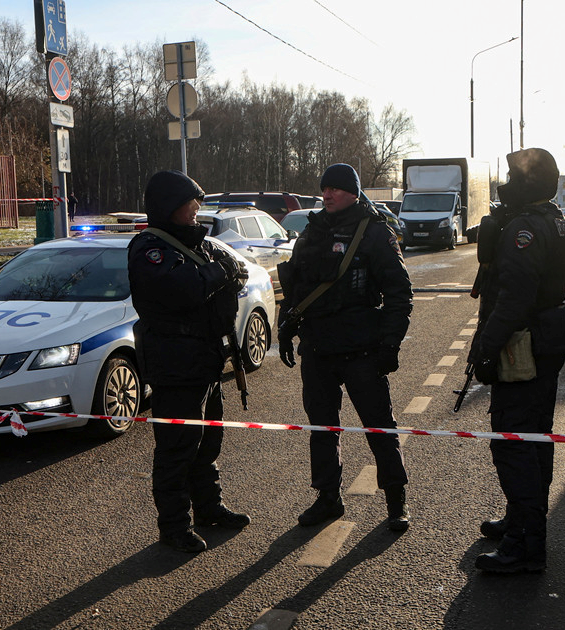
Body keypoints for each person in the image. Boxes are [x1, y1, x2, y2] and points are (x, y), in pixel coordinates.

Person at [276, 163, 413, 532]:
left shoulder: (374, 232)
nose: (328, 194)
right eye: (324, 189)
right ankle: (327, 498)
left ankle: (396, 500)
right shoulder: (313, 231)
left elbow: (399, 294)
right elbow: (295, 288)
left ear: (353, 192)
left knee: (379, 427)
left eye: (336, 189)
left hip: (362, 350)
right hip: (318, 349)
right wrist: (285, 329)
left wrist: (390, 344)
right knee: (322, 428)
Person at [126, 170, 252, 554]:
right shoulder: (151, 249)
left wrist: (222, 272)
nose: (197, 209)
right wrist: (217, 273)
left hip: (205, 360)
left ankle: (209, 509)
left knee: (208, 440)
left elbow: (238, 272)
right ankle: (174, 527)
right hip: (175, 364)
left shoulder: (196, 243)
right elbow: (185, 289)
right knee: (177, 448)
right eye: (189, 203)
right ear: (169, 207)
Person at [467, 148, 565, 573]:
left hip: (524, 348)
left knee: (514, 445)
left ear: (529, 184)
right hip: (545, 343)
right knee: (535, 441)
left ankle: (525, 544)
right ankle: (523, 521)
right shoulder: (555, 220)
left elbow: (513, 299)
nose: (505, 185)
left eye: (514, 178)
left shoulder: (526, 230)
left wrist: (484, 347)